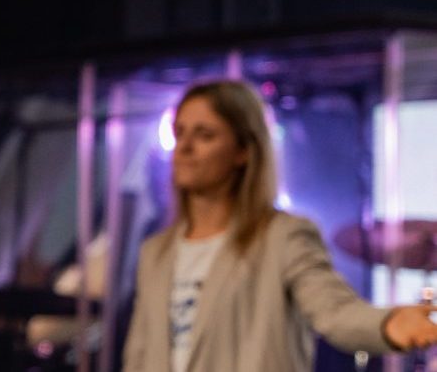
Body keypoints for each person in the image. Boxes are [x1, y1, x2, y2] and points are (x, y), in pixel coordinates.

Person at [122, 78, 437, 371]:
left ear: (243, 151)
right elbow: (138, 354)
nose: (185, 148)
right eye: (180, 133)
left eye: (205, 135)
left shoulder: (283, 237)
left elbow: (334, 311)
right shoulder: (156, 251)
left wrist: (387, 325)